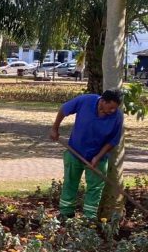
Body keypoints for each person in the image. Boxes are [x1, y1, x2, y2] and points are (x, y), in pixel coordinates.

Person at [49, 89, 124, 220]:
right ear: (103, 101)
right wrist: (55, 128)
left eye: (115, 108)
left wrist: (97, 157)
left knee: (95, 188)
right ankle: (66, 214)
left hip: (99, 157)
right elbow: (63, 109)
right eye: (110, 107)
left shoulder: (117, 116)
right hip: (75, 152)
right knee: (70, 182)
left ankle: (89, 219)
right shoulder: (85, 101)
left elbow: (112, 141)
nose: (112, 111)